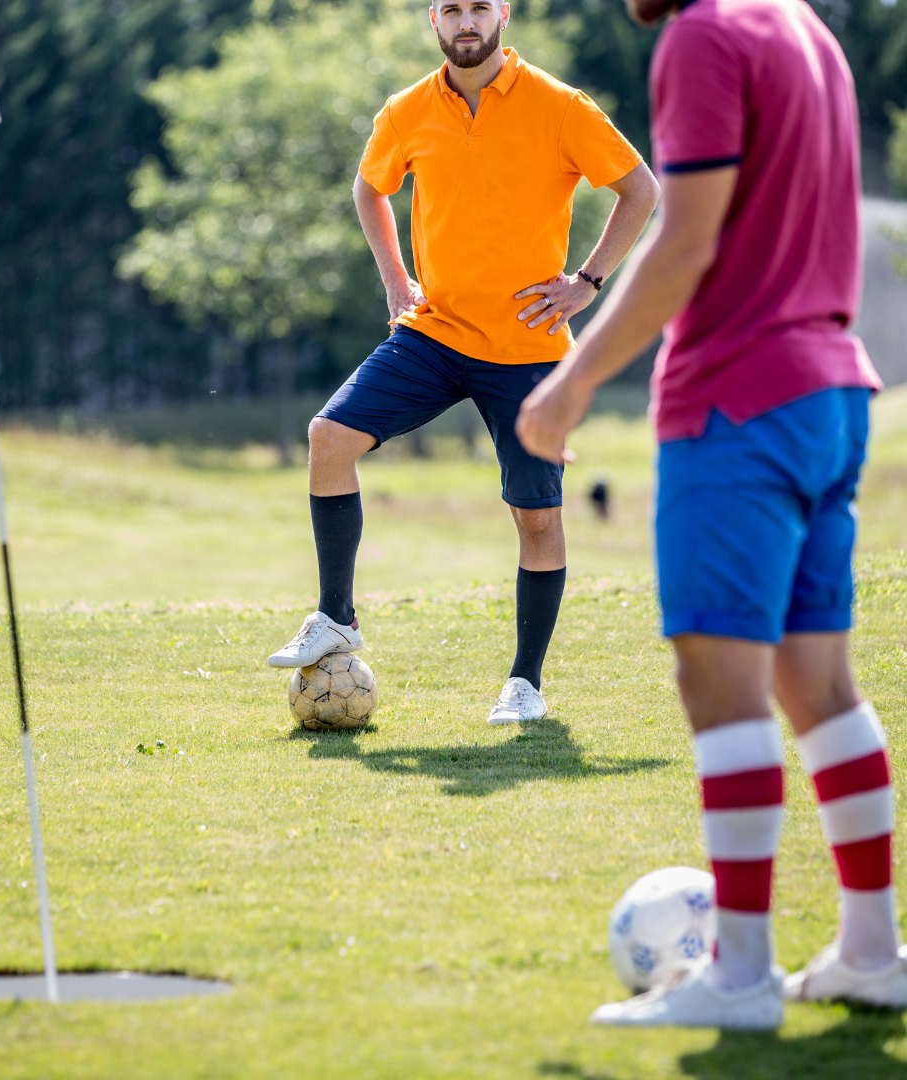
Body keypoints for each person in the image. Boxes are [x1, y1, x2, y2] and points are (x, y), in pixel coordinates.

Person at [516, 0, 897, 1029]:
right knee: (820, 685)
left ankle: (739, 977)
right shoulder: (806, 29)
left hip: (738, 399)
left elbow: (685, 243)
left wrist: (569, 385)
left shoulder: (703, 35)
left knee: (720, 685)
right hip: (828, 391)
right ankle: (872, 950)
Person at [266, 0, 659, 724]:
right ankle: (336, 616)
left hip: (527, 348)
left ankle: (525, 685)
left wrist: (587, 283)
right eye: (452, 9)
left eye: (479, 6)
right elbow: (369, 186)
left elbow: (641, 190)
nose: (466, 21)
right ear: (433, 20)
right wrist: (392, 276)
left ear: (502, 14)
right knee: (329, 438)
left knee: (536, 519)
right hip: (434, 332)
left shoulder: (560, 106)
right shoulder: (407, 109)